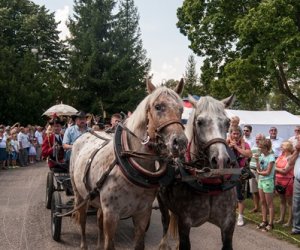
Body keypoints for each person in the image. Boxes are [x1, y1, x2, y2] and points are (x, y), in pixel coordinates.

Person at [228, 126, 252, 226]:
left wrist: (236, 147)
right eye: (234, 133)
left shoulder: (244, 144)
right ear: (230, 134)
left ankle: (240, 216)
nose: (236, 135)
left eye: (238, 134)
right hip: (228, 173)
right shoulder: (226, 143)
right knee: (228, 195)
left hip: (239, 173)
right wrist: (229, 145)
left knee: (239, 195)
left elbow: (249, 154)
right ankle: (230, 214)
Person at [255, 139, 276, 232]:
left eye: (261, 148)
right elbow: (259, 168)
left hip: (268, 181)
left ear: (266, 148)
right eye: (259, 148)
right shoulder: (261, 156)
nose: (259, 150)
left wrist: (259, 172)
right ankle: (264, 221)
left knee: (269, 204)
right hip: (261, 181)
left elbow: (268, 172)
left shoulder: (271, 157)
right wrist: (256, 161)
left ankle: (271, 224)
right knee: (262, 202)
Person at [275, 141, 294, 227]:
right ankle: (281, 219)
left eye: (282, 146)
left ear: (286, 147)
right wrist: (279, 169)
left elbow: (285, 171)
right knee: (282, 201)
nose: (280, 147)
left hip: (288, 182)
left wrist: (275, 168)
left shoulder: (291, 158)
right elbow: (281, 170)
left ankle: (290, 221)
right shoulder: (280, 156)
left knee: (290, 203)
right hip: (279, 181)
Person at [248, 133, 266, 213]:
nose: (257, 140)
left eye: (259, 139)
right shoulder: (253, 147)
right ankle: (256, 207)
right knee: (254, 190)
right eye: (256, 139)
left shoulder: (266, 148)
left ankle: (265, 209)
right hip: (252, 170)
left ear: (263, 140)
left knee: (262, 190)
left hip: (261, 172)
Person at [290, 136, 300, 235]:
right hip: (297, 180)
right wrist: (296, 151)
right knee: (296, 204)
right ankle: (296, 227)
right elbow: (290, 162)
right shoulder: (297, 151)